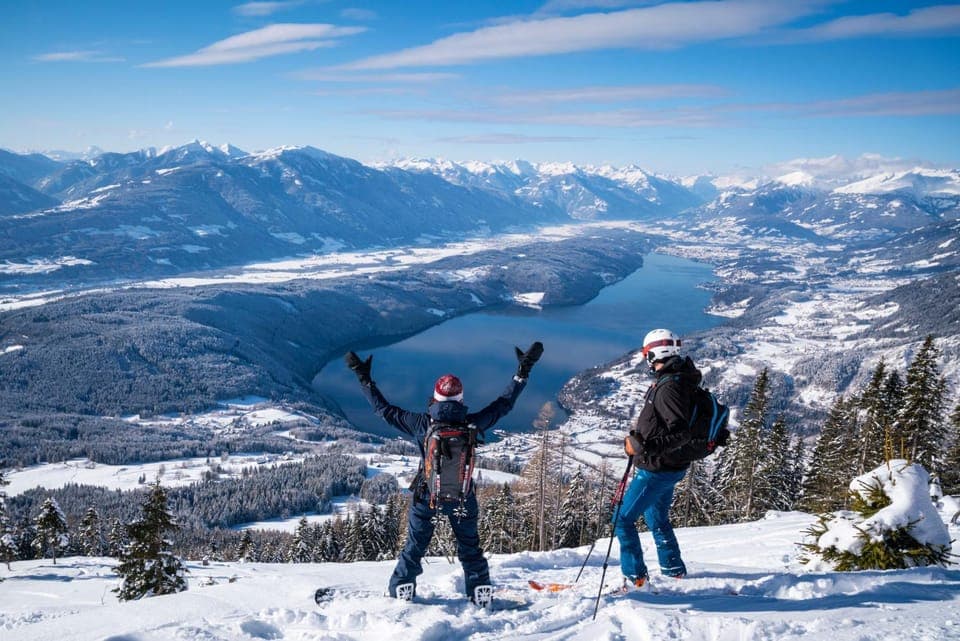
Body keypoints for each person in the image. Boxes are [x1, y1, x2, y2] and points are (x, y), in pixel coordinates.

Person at [344, 341, 543, 605]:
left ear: (435, 397)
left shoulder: (422, 424)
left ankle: (402, 587)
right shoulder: (471, 423)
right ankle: (479, 590)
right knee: (470, 547)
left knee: (415, 546)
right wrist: (522, 372)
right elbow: (503, 405)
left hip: (427, 497)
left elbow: (384, 411)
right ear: (460, 398)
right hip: (462, 497)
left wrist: (364, 378)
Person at [614, 328, 700, 589]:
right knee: (656, 518)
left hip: (657, 469)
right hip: (667, 466)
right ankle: (673, 570)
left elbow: (680, 433)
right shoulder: (675, 380)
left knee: (622, 519)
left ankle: (635, 578)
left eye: (645, 354)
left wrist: (644, 448)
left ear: (654, 353)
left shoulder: (669, 387)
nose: (645, 360)